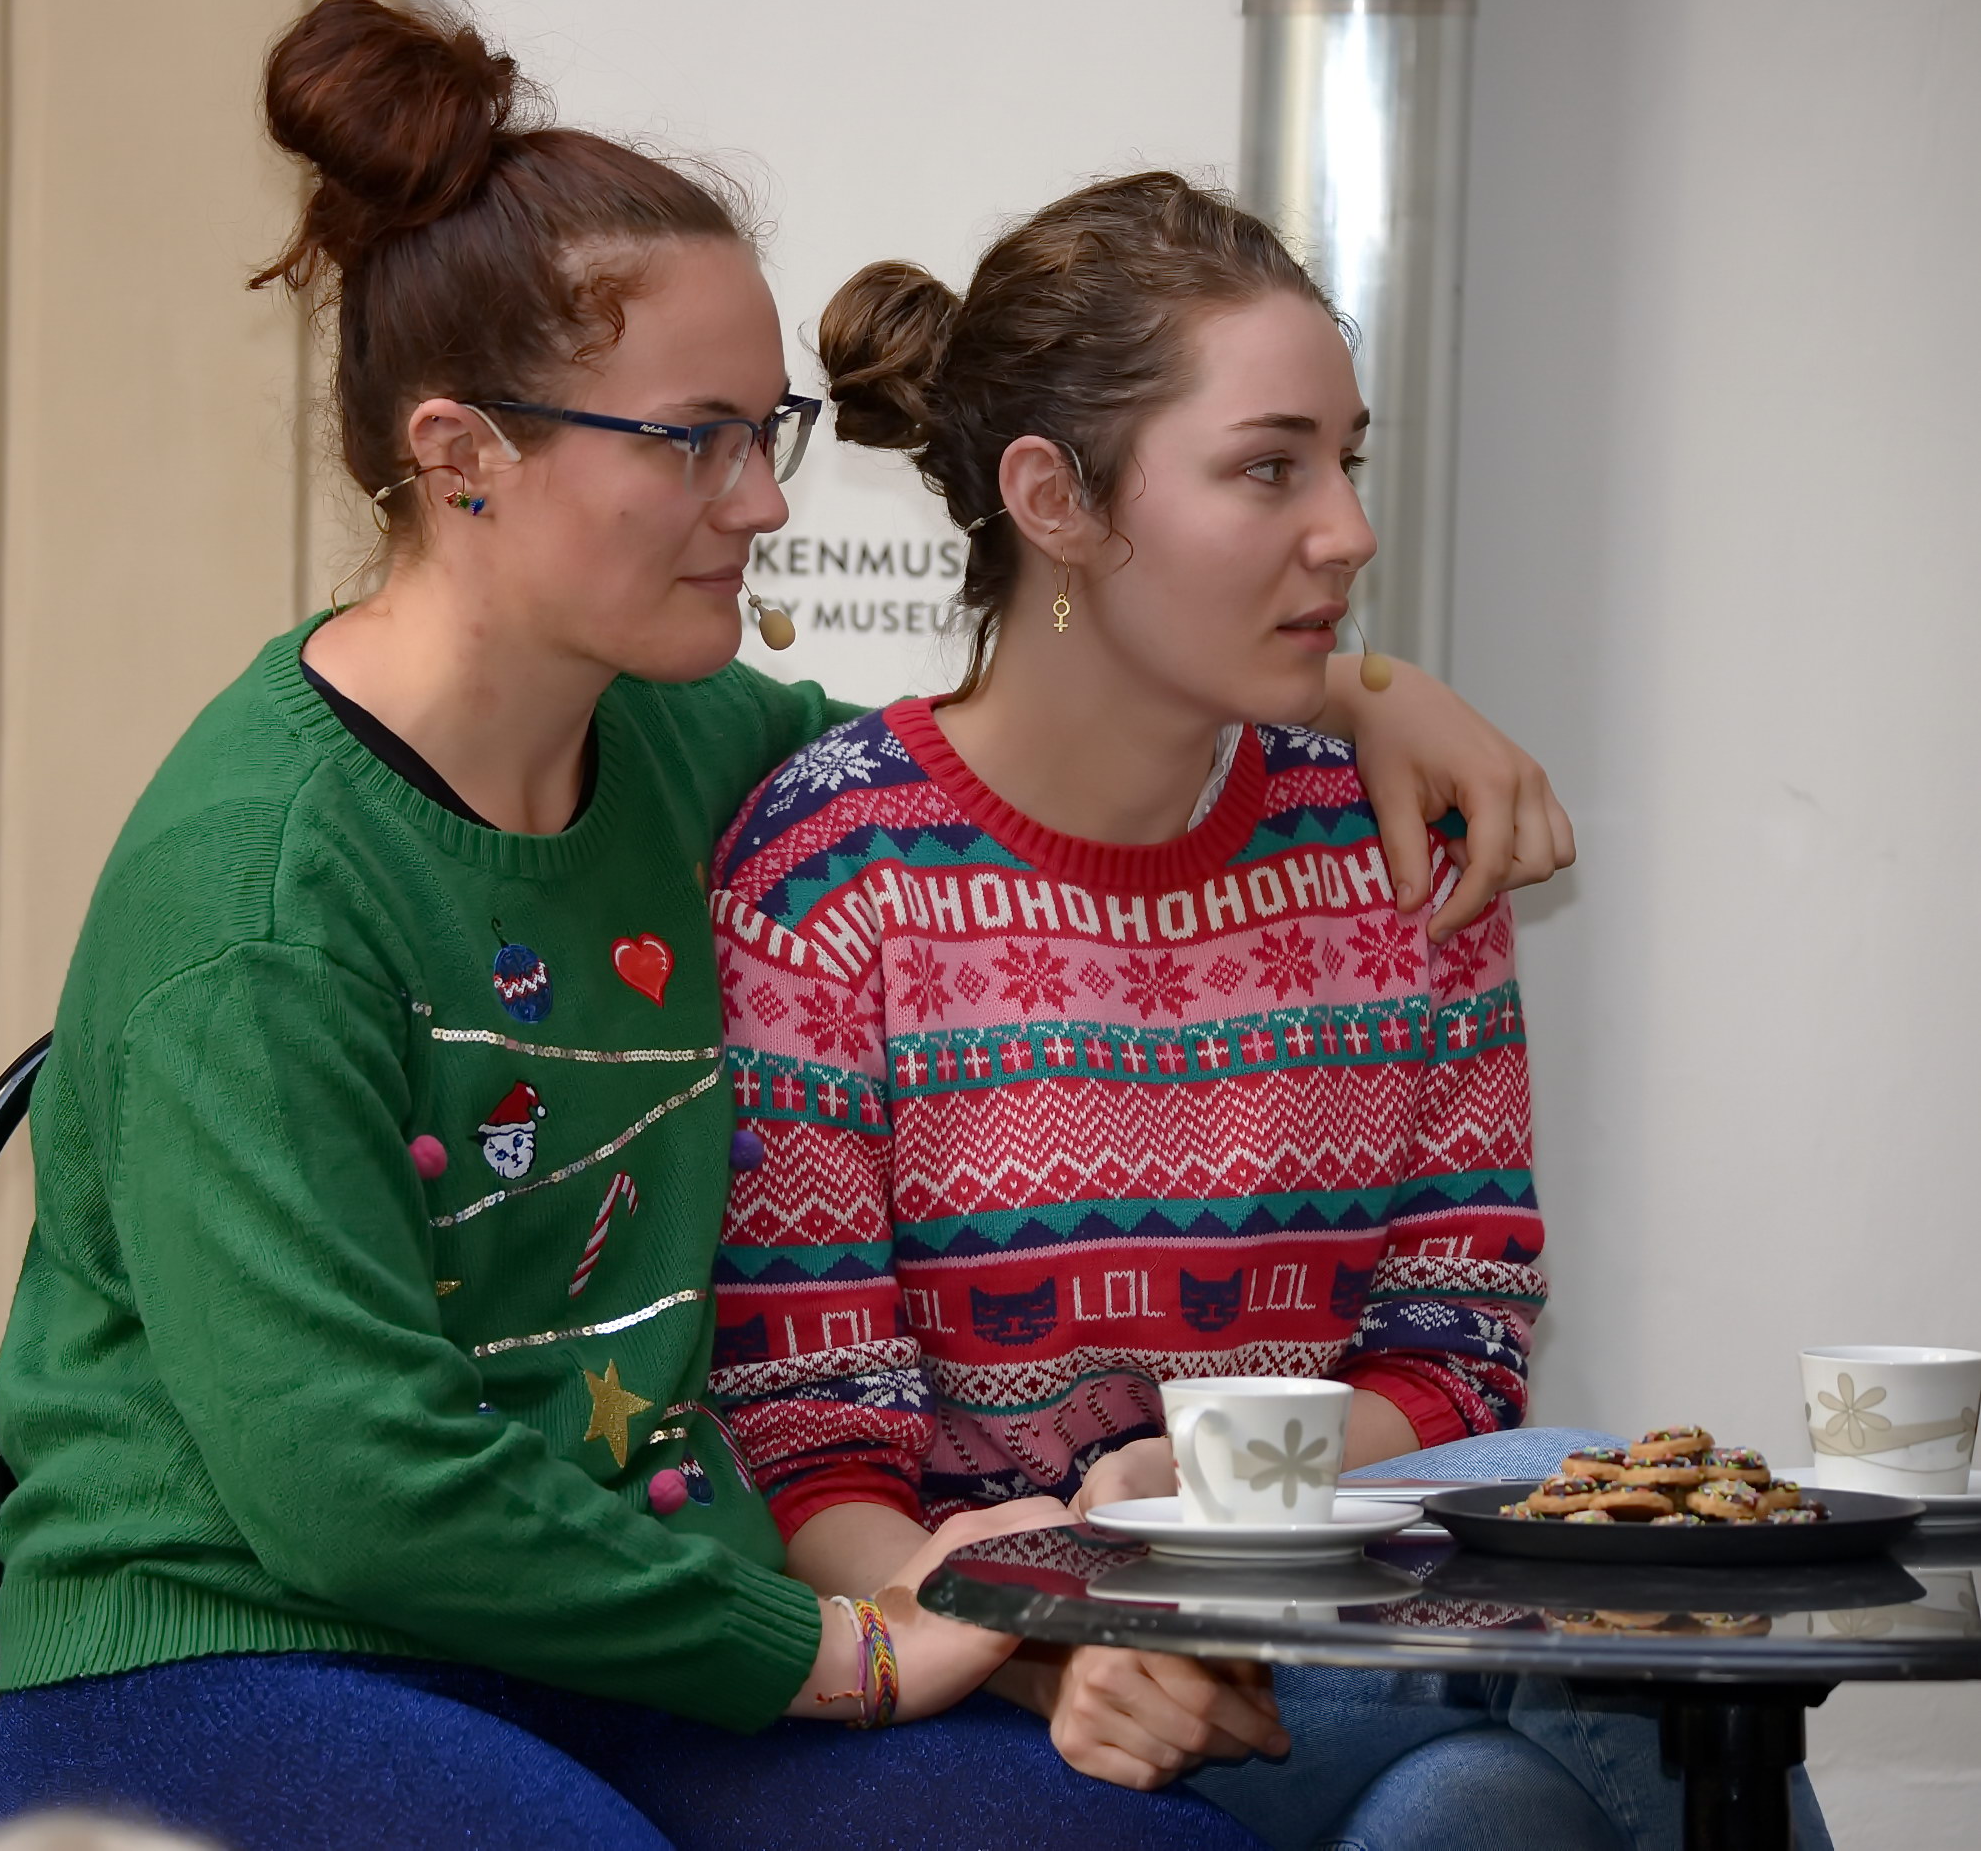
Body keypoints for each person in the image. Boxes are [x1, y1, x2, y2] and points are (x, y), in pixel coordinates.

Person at [0, 0, 1572, 1851]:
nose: (761, 502)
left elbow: (1010, 762)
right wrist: (846, 1647)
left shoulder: (684, 742)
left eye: (770, 432)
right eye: (693, 441)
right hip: (249, 1648)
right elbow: (351, 1485)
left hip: (629, 1642)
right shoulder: (256, 893)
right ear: (462, 451)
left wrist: (1368, 691)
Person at [709, 172, 1824, 1849]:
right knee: (1605, 1544)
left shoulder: (1396, 846)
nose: (1350, 529)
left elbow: (1459, 1344)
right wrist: (1053, 1641)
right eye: (1268, 466)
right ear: (1055, 499)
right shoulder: (830, 874)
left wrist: (1222, 1475)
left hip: (1348, 1619)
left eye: (1348, 460)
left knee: (1469, 1811)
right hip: (1010, 1654)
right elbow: (814, 1448)